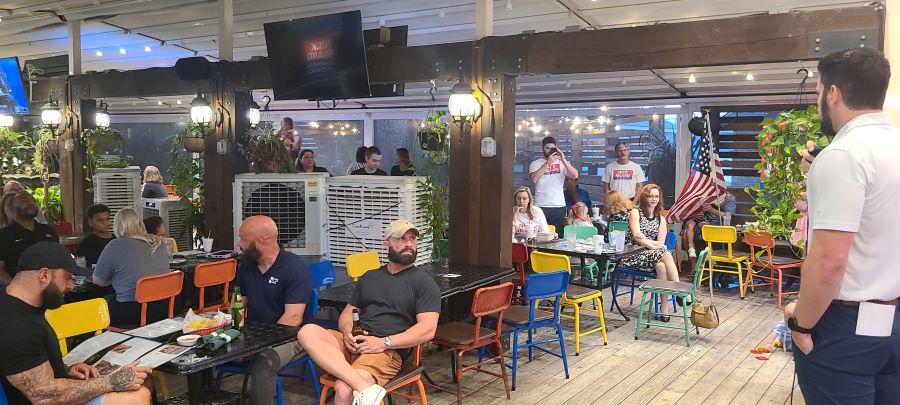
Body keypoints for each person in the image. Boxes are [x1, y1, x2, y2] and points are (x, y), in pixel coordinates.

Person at [788, 48, 900, 404]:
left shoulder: (844, 155)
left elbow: (830, 262)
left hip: (845, 328)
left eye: (819, 91)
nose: (818, 100)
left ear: (833, 93)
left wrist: (800, 323)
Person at [298, 219, 441, 405]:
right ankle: (367, 390)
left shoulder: (424, 283)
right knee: (307, 331)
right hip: (355, 343)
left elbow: (428, 329)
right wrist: (347, 333)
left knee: (344, 388)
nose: (408, 244)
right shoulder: (371, 277)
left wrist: (383, 343)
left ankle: (362, 388)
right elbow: (348, 312)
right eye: (401, 238)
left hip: (385, 351)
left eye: (412, 239)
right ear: (386, 244)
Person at [0, 242, 153, 405]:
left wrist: (65, 370)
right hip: (50, 399)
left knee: (143, 379)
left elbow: (30, 363)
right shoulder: (17, 326)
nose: (71, 285)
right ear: (44, 275)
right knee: (136, 396)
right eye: (67, 278)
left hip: (51, 390)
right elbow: (44, 396)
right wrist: (111, 382)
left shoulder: (15, 303)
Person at [236, 216, 312, 405]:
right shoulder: (246, 266)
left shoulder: (294, 268)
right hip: (254, 335)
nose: (239, 244)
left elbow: (293, 318)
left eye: (243, 239)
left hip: (291, 336)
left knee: (264, 361)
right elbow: (239, 303)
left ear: (259, 242)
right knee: (206, 351)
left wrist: (258, 345)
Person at [606, 186, 682, 320]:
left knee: (662, 266)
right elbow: (637, 238)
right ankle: (679, 290)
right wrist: (652, 246)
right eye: (650, 196)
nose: (653, 199)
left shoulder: (661, 219)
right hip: (633, 255)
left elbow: (660, 242)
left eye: (656, 196)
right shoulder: (635, 213)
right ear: (644, 197)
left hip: (653, 255)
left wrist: (647, 242)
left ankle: (664, 308)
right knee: (665, 253)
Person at [92, 208, 171, 327]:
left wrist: (119, 278)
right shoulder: (158, 241)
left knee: (100, 306)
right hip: (166, 305)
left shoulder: (114, 245)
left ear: (117, 226)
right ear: (140, 223)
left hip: (132, 310)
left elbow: (98, 281)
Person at [0, 192, 59, 285]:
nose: (30, 202)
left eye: (33, 200)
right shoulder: (3, 235)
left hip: (50, 288)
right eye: (24, 200)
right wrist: (17, 287)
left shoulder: (48, 231)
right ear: (12, 208)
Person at [529, 136, 578, 238]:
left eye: (552, 148)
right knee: (539, 235)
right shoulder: (536, 163)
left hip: (558, 204)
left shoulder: (561, 163)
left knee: (557, 235)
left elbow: (575, 175)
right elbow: (534, 178)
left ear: (556, 148)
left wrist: (563, 158)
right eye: (547, 148)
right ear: (542, 148)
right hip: (541, 204)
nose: (549, 150)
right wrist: (548, 163)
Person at [682, 191, 737, 259]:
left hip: (718, 226)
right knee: (685, 235)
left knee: (705, 229)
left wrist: (712, 210)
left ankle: (711, 257)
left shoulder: (729, 198)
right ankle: (693, 263)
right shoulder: (705, 195)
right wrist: (698, 213)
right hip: (701, 223)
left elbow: (728, 216)